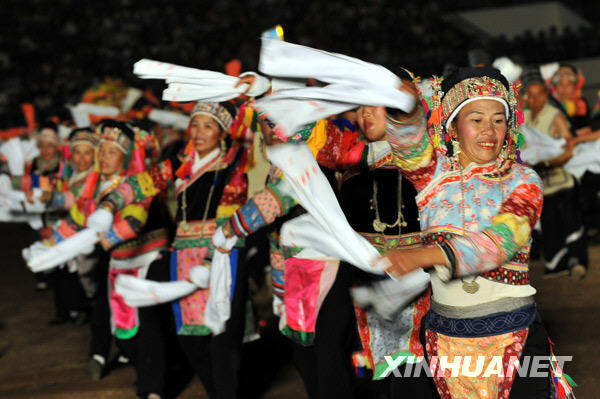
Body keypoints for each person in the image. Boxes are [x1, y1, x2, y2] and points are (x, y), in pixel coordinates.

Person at [379, 67, 574, 398]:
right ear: (453, 126)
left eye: (498, 119)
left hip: (516, 337)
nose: (490, 130)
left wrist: (422, 256)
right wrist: (404, 107)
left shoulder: (524, 180)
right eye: (477, 119)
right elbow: (408, 143)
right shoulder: (432, 176)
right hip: (445, 342)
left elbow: (499, 243)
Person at [96, 102, 252, 399]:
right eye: (195, 124)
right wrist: (109, 205)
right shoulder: (181, 163)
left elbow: (228, 218)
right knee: (191, 339)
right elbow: (141, 184)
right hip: (182, 256)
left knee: (221, 338)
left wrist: (209, 259)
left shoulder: (232, 166)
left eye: (208, 126)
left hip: (222, 254)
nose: (200, 131)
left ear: (221, 133)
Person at [521, 72, 587, 280]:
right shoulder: (523, 118)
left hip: (560, 179)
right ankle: (556, 265)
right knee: (549, 225)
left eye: (540, 94)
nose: (536, 100)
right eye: (531, 96)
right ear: (526, 98)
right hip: (540, 183)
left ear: (545, 94)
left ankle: (578, 262)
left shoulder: (555, 115)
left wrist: (548, 161)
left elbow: (569, 149)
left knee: (570, 221)